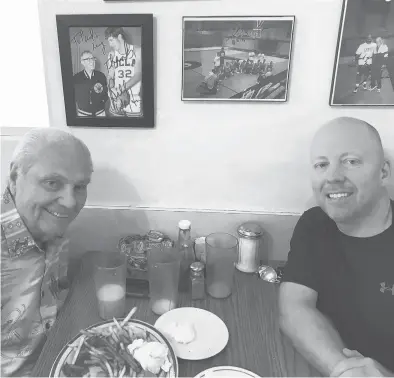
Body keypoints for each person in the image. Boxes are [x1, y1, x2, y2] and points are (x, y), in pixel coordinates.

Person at [279, 117, 394, 377]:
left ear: (383, 171)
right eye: (322, 164)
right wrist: (343, 370)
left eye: (351, 161)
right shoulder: (315, 223)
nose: (332, 177)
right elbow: (295, 307)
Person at [1, 129, 93, 377]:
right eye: (52, 183)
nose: (70, 202)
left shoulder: (49, 221)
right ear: (14, 177)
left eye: (80, 186)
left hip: (63, 356)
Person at [105, 27, 142, 117]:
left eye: (111, 40)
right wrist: (111, 88)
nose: (110, 44)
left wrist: (120, 90)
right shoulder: (111, 55)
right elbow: (110, 76)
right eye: (108, 41)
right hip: (116, 100)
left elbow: (138, 75)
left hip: (133, 100)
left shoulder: (137, 51)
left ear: (120, 37)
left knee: (135, 129)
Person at [73, 51, 108, 117]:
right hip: (83, 115)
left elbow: (105, 94)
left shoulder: (101, 76)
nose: (92, 61)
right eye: (88, 59)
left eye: (92, 58)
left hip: (100, 114)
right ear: (82, 62)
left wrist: (102, 101)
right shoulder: (76, 78)